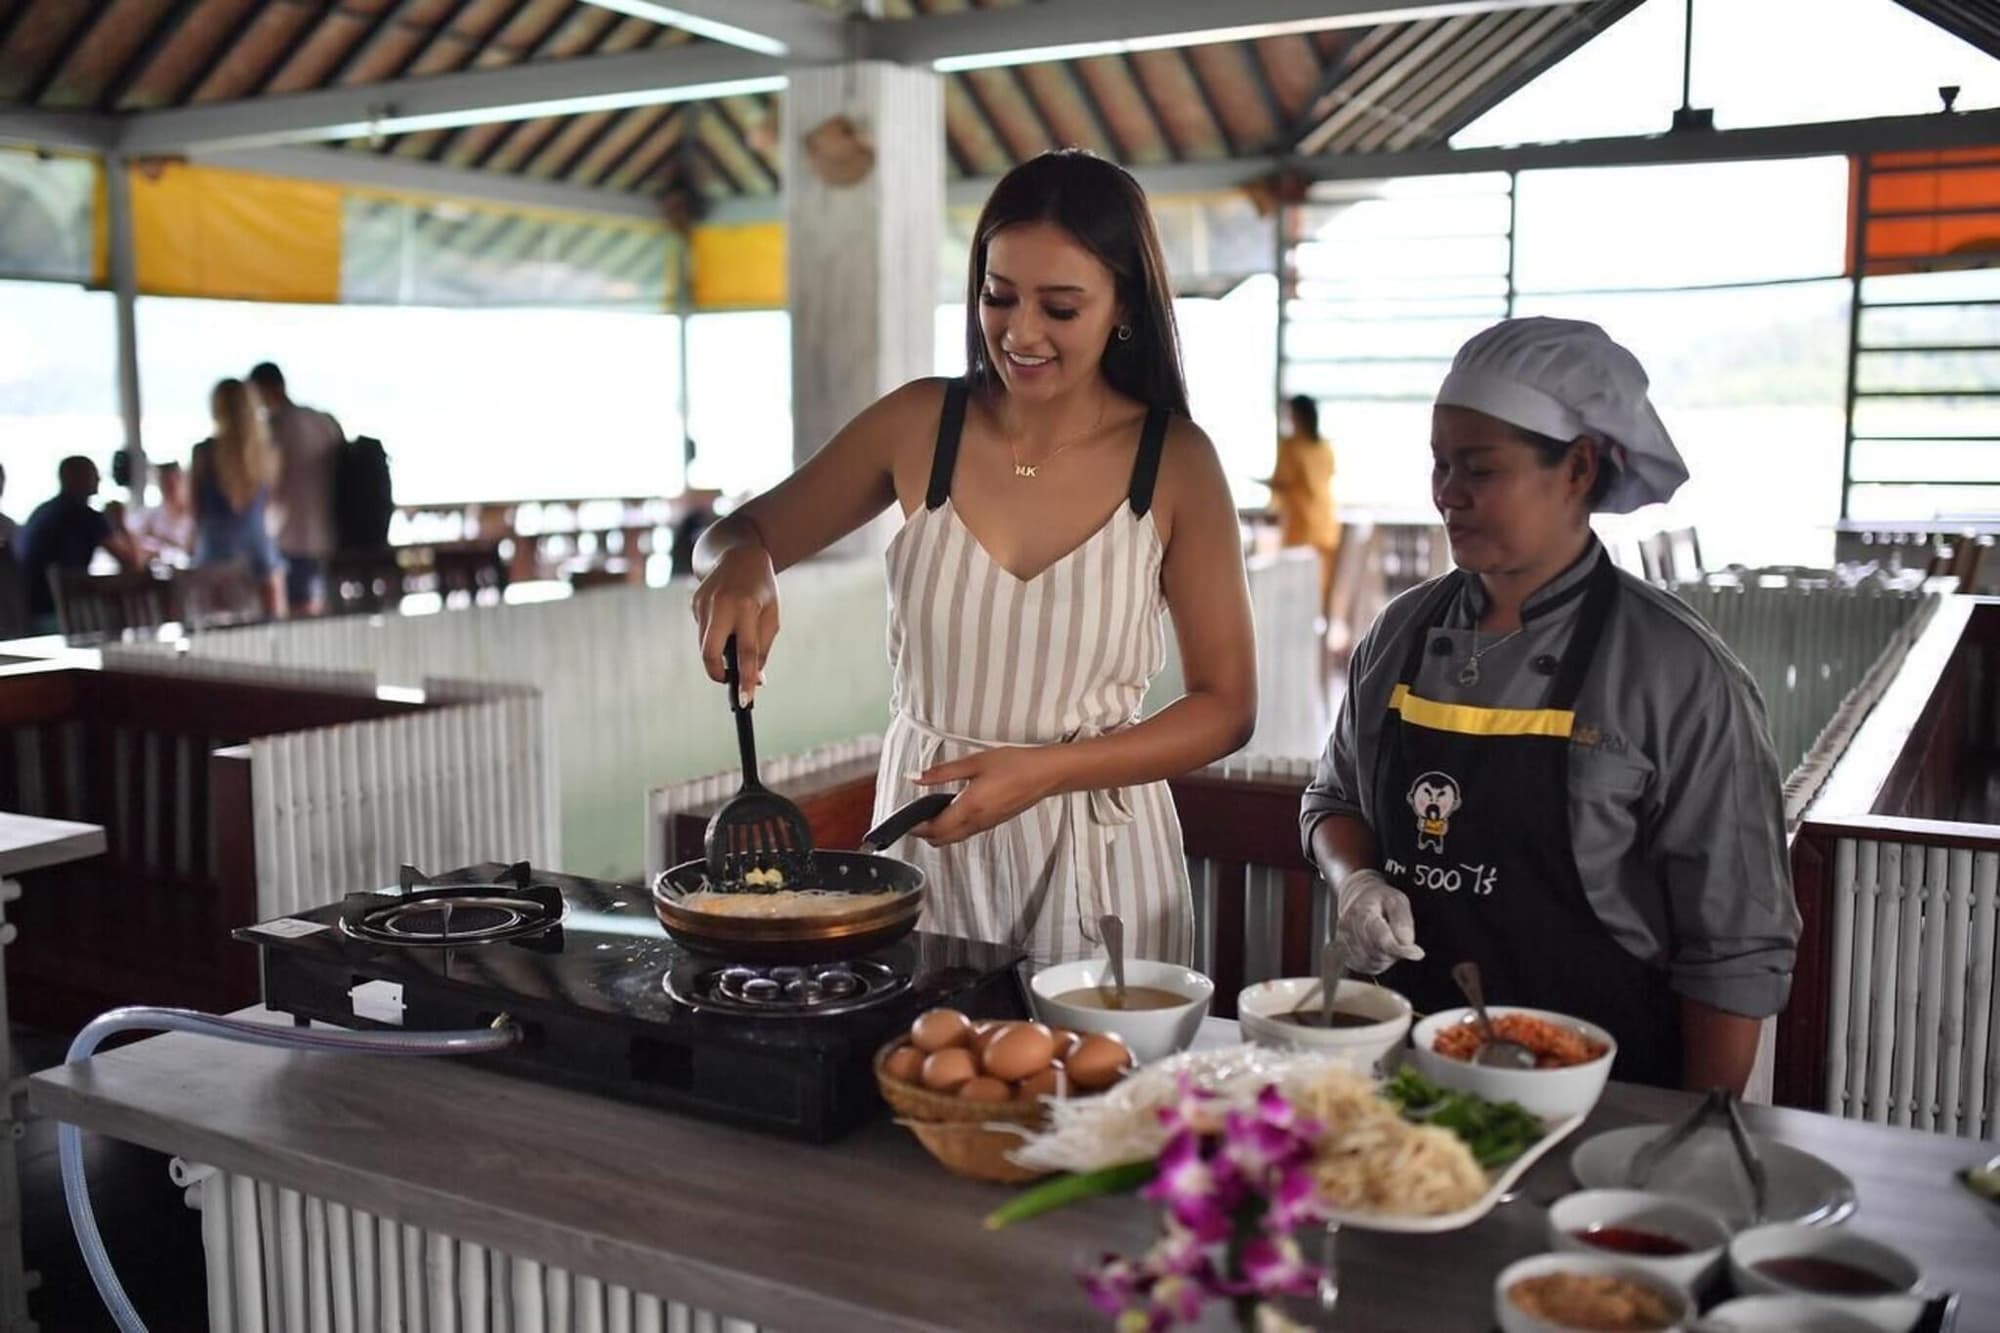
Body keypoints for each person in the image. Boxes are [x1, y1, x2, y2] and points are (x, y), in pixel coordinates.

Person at [692, 149, 1257, 965]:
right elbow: (738, 531)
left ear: (1123, 307)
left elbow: (1228, 705)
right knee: (915, 1081)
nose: (1020, 333)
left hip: (1098, 853)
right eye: (999, 296)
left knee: (1097, 1088)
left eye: (1060, 308)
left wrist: (1048, 770)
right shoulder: (923, 424)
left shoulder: (1175, 462)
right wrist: (743, 558)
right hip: (929, 841)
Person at [1300, 317, 1799, 1096]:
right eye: (1438, 464)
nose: (1446, 495)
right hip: (1404, 1083)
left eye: (1479, 469)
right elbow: (1331, 797)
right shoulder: (1401, 633)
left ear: (1577, 467)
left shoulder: (1677, 671)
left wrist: (1689, 1136)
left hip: (1607, 1098)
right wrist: (1355, 881)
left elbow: (1733, 948)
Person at [248, 361, 343, 615]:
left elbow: (270, 485)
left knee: (299, 617)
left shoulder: (275, 427)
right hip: (330, 535)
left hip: (292, 538)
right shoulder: (323, 422)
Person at [191, 379, 286, 619]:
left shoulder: (204, 452)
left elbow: (196, 511)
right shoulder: (266, 453)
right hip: (259, 550)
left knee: (216, 634)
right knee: (272, 631)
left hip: (214, 552)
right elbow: (269, 505)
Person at [16, 455, 143, 632]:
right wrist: (121, 525)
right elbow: (132, 562)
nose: (99, 479)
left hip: (28, 612)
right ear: (75, 478)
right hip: (61, 613)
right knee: (125, 618)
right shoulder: (85, 515)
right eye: (93, 474)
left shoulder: (42, 511)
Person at [1266, 394, 1339, 613]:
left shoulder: (1291, 446)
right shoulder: (1325, 447)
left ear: (1298, 416)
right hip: (1326, 523)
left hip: (1302, 525)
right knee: (1320, 590)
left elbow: (1282, 482)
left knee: (1296, 593)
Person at [126, 460, 195, 564]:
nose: (167, 489)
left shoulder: (194, 515)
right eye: (163, 484)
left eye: (171, 483)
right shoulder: (152, 514)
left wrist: (164, 539)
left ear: (182, 481)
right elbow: (130, 531)